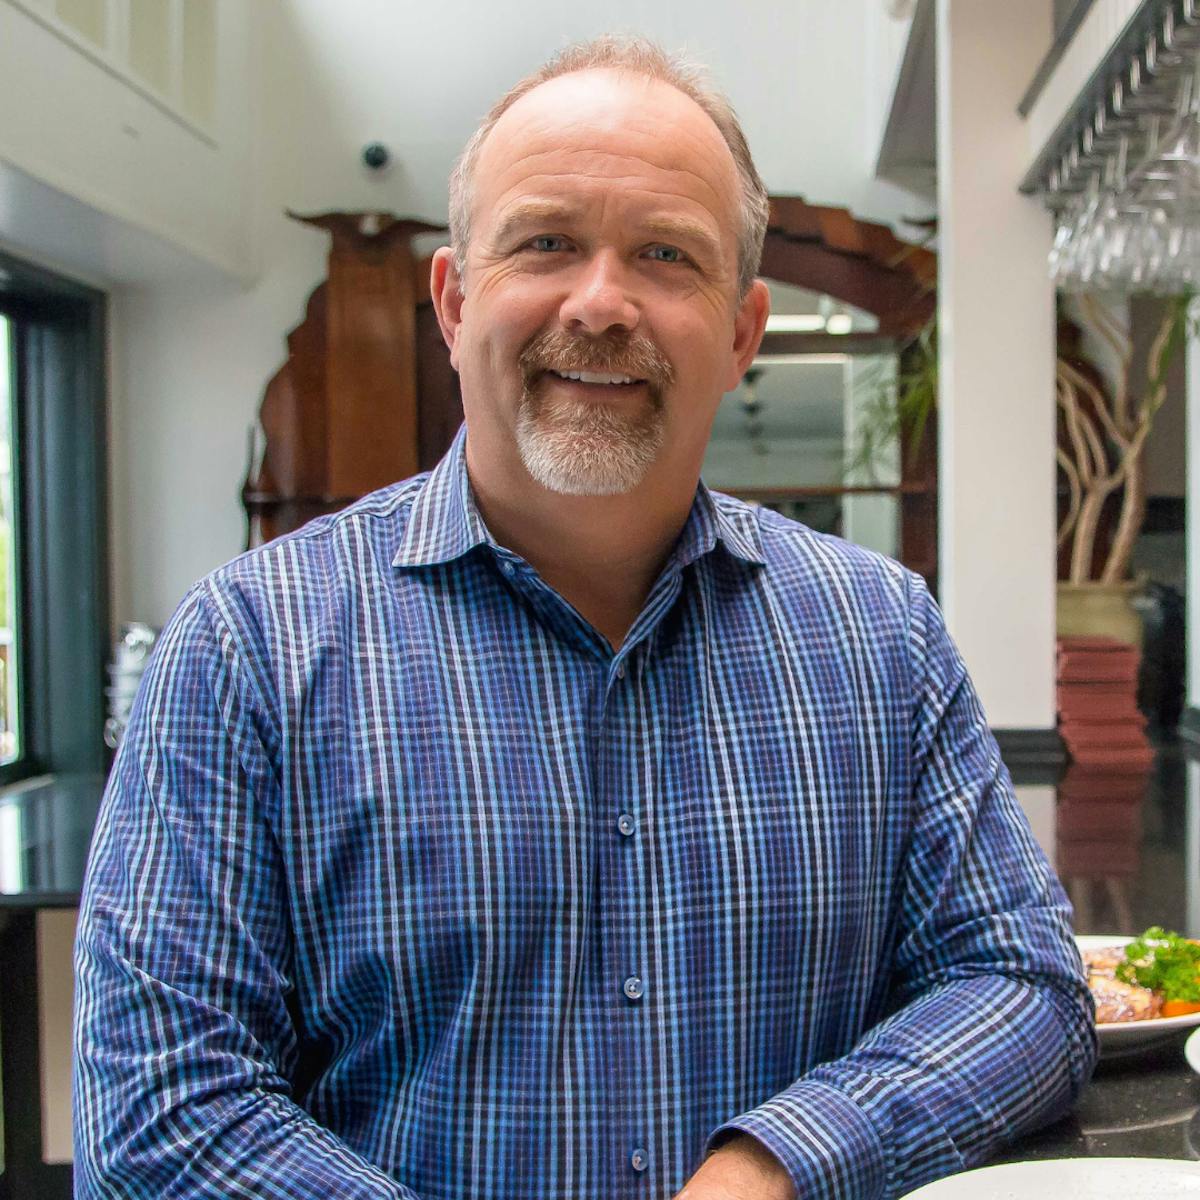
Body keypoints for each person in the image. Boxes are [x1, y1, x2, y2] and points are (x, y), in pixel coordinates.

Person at [73, 35, 1096, 1200]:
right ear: (455, 304)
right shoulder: (247, 649)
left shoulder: (879, 637)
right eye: (547, 243)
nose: (603, 303)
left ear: (744, 333)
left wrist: (780, 1162)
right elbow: (162, 1111)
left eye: (667, 256)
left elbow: (1019, 980)